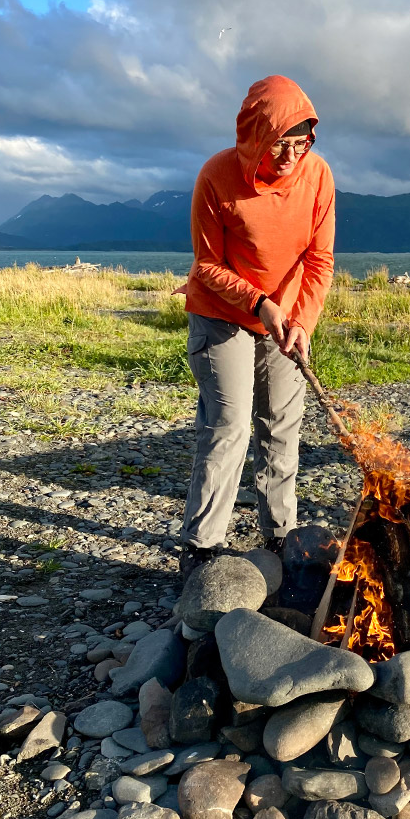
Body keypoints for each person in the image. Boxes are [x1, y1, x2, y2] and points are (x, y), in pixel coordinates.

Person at [175, 75, 335, 576]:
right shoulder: (217, 176)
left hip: (285, 317)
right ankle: (202, 548)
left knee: (282, 428)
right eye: (278, 145)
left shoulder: (317, 175)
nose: (290, 157)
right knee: (230, 426)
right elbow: (206, 265)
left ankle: (281, 537)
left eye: (300, 144)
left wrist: (301, 321)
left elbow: (320, 259)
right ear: (253, 139)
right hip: (222, 314)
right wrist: (260, 303)